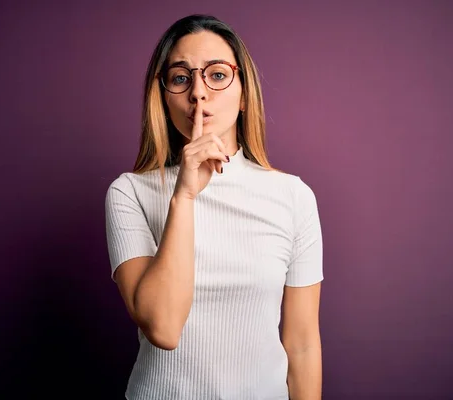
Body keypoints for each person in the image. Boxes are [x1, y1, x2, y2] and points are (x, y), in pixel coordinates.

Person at [105, 14, 324, 400]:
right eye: (180, 78)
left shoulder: (293, 196)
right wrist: (183, 196)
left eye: (218, 75)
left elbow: (302, 344)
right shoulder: (129, 193)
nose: (199, 93)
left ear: (244, 94)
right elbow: (164, 328)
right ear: (163, 97)